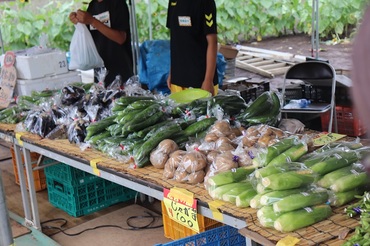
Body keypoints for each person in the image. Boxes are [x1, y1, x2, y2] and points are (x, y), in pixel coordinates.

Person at [69, 0, 133, 87]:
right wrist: (79, 21)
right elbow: (90, 34)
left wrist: (92, 21)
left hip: (120, 70)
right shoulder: (92, 5)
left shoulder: (118, 3)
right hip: (100, 72)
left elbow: (120, 38)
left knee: (119, 99)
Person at [166, 0, 219, 96]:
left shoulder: (206, 2)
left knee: (200, 111)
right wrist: (171, 72)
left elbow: (212, 42)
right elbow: (175, 39)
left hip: (200, 81)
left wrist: (208, 80)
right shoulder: (173, 2)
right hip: (178, 80)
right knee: (177, 111)